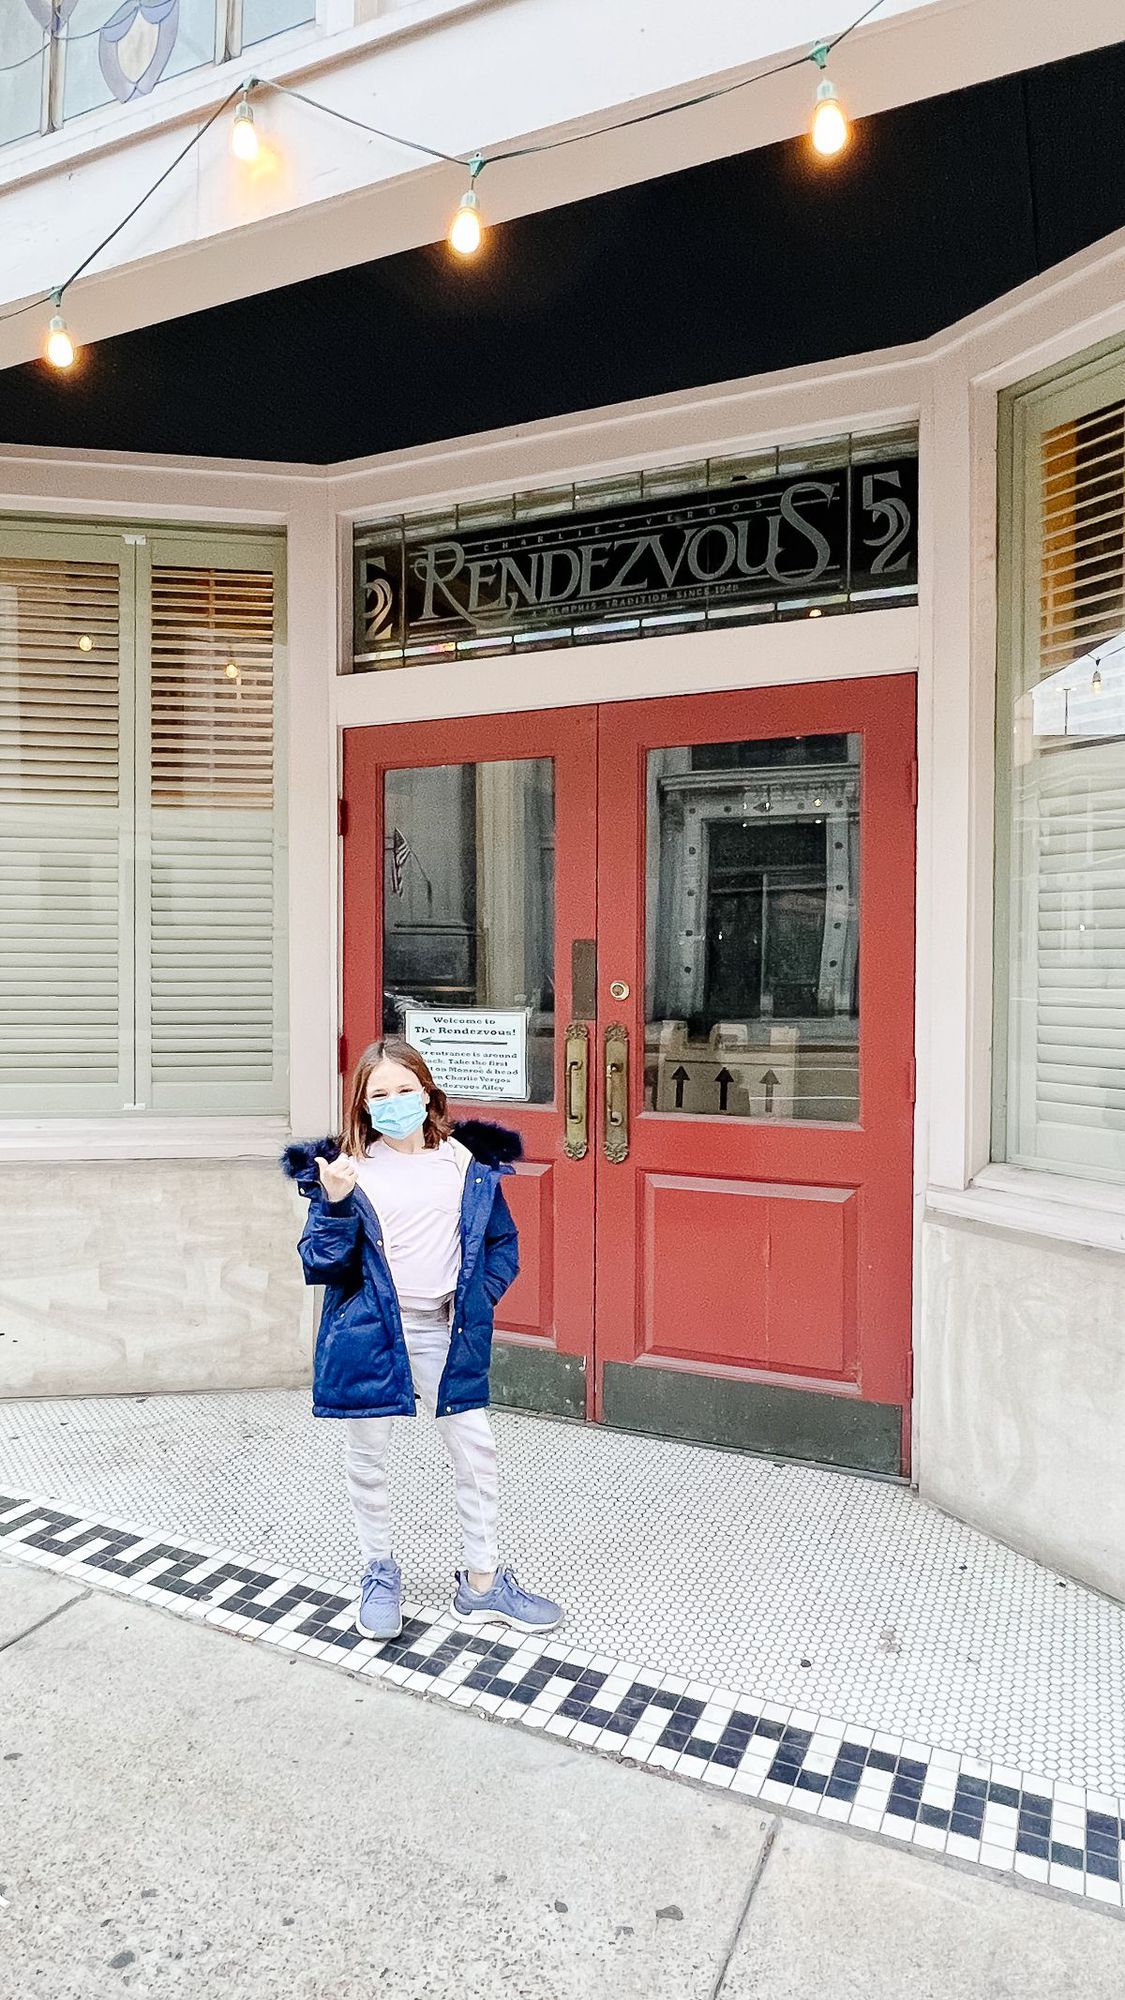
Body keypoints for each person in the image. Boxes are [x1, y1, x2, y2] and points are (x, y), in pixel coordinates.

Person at [282, 1036, 562, 1644]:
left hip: (444, 1326)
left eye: (404, 1089)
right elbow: (319, 1263)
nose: (393, 1102)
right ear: (361, 1102)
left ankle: (482, 1584)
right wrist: (332, 1204)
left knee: (475, 1447)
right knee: (369, 1456)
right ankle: (380, 1573)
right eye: (378, 1093)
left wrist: (477, 1297)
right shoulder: (345, 1170)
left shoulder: (464, 1162)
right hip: (371, 1332)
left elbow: (499, 1245)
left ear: (427, 1090)